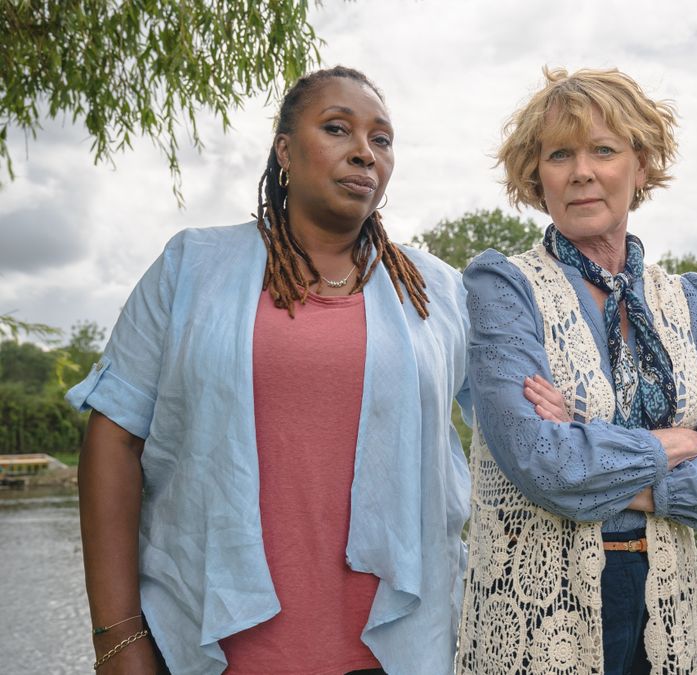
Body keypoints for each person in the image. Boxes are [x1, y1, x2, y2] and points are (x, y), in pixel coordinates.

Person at [69, 66, 471, 674]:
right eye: (337, 129)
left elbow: (512, 427)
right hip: (221, 652)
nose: (365, 153)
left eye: (382, 140)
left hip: (396, 653)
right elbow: (114, 440)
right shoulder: (191, 270)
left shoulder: (436, 291)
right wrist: (118, 641)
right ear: (284, 149)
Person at [456, 67, 697, 675]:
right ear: (537, 176)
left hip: (669, 603)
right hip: (539, 607)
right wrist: (678, 443)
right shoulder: (502, 286)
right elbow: (546, 463)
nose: (581, 171)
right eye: (559, 154)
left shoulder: (693, 301)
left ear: (640, 166)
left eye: (604, 150)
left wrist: (587, 443)